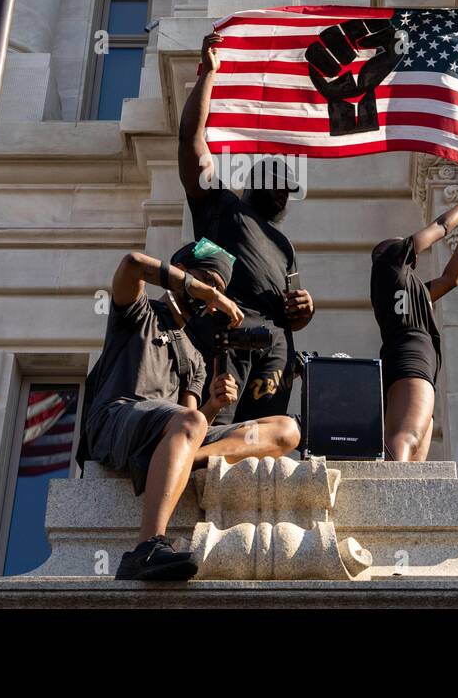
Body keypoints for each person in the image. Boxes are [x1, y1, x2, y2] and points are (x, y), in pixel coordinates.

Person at [77, 241, 301, 581]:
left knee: (286, 431)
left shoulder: (195, 358)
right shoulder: (138, 313)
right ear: (180, 272)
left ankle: (176, 464)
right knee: (190, 420)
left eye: (220, 288)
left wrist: (214, 404)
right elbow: (132, 263)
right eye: (206, 280)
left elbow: (193, 423)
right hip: (117, 420)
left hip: (169, 433)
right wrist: (207, 292)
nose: (211, 293)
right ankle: (147, 546)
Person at [178, 31, 314, 424]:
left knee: (265, 441)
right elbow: (191, 140)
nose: (281, 194)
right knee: (217, 431)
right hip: (226, 333)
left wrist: (306, 308)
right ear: (253, 183)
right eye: (273, 183)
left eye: (287, 190)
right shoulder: (221, 206)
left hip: (276, 350)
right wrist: (208, 74)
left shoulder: (285, 247)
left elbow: (294, 314)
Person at [370, 176, 458, 461]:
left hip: (418, 361)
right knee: (405, 438)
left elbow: (452, 278)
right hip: (410, 359)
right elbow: (440, 226)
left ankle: (399, 496)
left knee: (416, 453)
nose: (404, 242)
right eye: (399, 243)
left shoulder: (416, 292)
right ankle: (389, 497)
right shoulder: (389, 263)